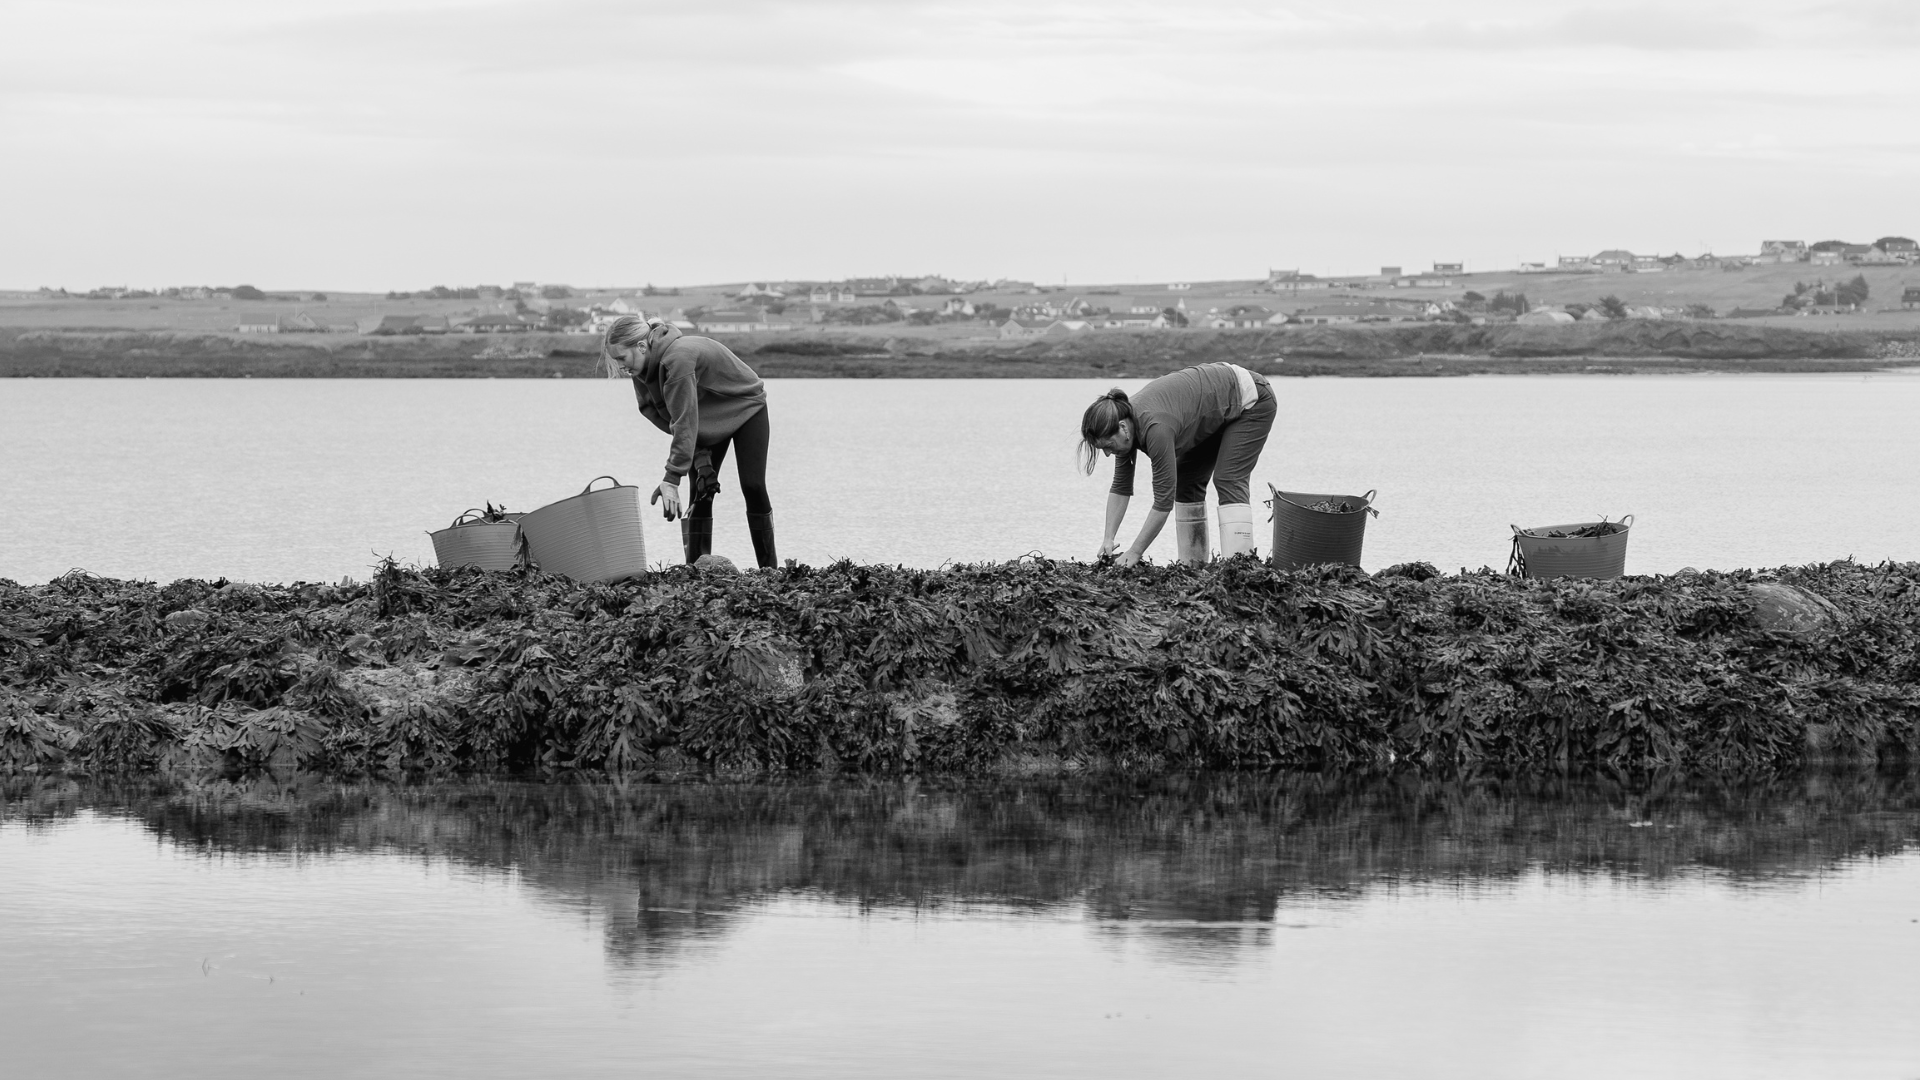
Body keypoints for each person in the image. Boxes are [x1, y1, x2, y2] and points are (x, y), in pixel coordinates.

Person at [601, 314, 777, 568]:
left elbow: (683, 421)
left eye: (621, 358)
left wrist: (671, 478)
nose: (620, 366)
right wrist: (700, 455)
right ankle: (696, 570)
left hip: (745, 405)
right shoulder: (640, 368)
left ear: (640, 346)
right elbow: (659, 413)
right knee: (701, 490)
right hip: (702, 414)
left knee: (752, 485)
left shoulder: (677, 359)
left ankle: (769, 571)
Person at [1078, 361, 1275, 566]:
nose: (1108, 454)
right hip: (1216, 407)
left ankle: (1240, 566)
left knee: (1228, 478)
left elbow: (1163, 502)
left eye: (1108, 446)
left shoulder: (1156, 428)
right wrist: (1108, 539)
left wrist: (1135, 552)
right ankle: (1193, 566)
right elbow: (1121, 486)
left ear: (1122, 428)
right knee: (1186, 483)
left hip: (1251, 398)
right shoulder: (1122, 421)